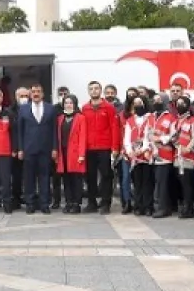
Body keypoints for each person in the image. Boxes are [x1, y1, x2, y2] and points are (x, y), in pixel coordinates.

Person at [81, 81, 120, 214]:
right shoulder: (84, 108)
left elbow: (114, 128)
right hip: (89, 148)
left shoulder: (109, 108)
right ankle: (91, 202)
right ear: (88, 91)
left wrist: (115, 148)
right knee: (90, 176)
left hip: (105, 147)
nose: (94, 91)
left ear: (100, 91)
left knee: (106, 176)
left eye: (96, 88)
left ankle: (105, 203)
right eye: (91, 89)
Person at [17, 83, 56, 215]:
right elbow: (20, 130)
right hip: (28, 149)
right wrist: (20, 149)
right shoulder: (23, 109)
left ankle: (44, 204)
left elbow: (54, 130)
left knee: (44, 178)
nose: (36, 94)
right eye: (33, 91)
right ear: (30, 94)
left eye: (38, 91)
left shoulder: (50, 108)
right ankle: (30, 204)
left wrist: (54, 148)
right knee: (29, 178)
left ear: (42, 94)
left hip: (45, 149)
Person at [56, 95, 88, 213]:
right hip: (63, 153)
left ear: (75, 104)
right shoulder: (60, 118)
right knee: (66, 179)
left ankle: (76, 203)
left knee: (76, 179)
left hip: (75, 153)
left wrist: (81, 154)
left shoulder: (80, 118)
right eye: (66, 103)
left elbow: (83, 137)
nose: (68, 105)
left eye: (70, 103)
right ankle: (68, 202)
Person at [124, 95, 154, 217]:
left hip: (146, 155)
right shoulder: (130, 120)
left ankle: (148, 207)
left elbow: (149, 135)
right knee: (137, 182)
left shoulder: (150, 118)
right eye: (135, 104)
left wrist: (143, 149)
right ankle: (138, 206)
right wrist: (129, 150)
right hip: (134, 157)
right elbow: (126, 138)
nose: (137, 106)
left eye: (139, 103)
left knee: (147, 182)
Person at [173, 96, 194, 219]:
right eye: (178, 103)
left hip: (189, 158)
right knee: (181, 184)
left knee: (188, 184)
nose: (179, 105)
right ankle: (185, 206)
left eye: (182, 103)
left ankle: (189, 208)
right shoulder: (177, 121)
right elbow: (174, 137)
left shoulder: (192, 120)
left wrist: (188, 148)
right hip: (178, 157)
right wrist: (176, 144)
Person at [151, 95, 177, 218]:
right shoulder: (151, 117)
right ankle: (157, 206)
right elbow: (147, 134)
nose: (156, 102)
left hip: (165, 156)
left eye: (159, 100)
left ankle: (164, 208)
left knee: (163, 183)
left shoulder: (170, 117)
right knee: (156, 182)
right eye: (155, 100)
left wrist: (160, 139)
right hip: (151, 155)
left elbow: (173, 135)